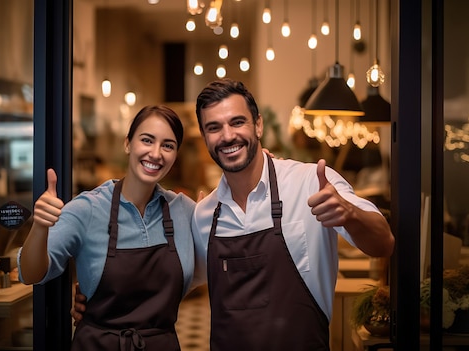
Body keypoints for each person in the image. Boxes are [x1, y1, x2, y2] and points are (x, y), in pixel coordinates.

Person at [73, 79, 395, 350]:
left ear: (258, 124)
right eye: (214, 127)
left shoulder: (312, 182)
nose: (227, 136)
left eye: (237, 122)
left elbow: (383, 243)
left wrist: (348, 213)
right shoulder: (203, 215)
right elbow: (166, 281)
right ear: (205, 136)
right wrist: (97, 299)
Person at [18, 105, 200, 350]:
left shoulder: (184, 211)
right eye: (147, 140)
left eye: (167, 145)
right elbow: (30, 274)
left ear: (175, 155)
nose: (156, 153)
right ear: (128, 144)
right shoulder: (88, 208)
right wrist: (40, 226)